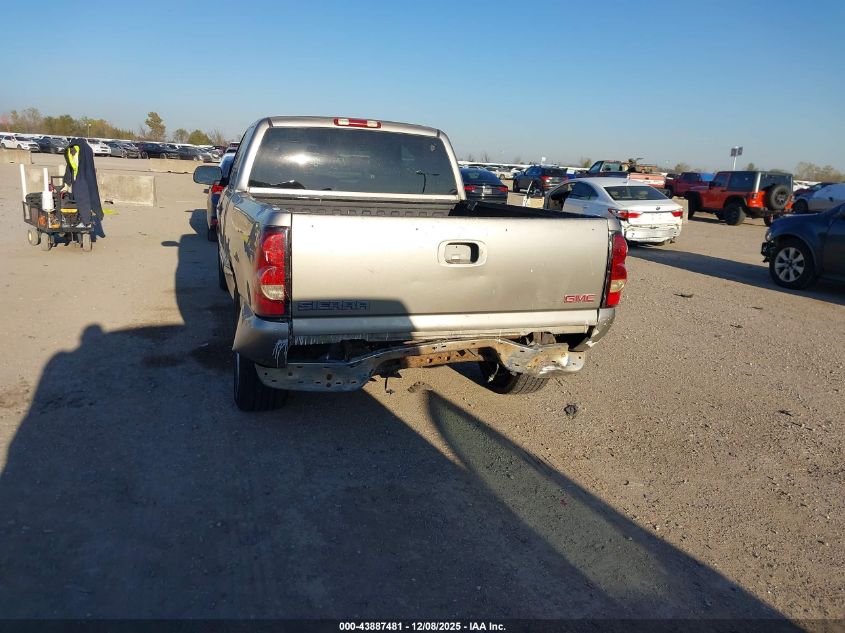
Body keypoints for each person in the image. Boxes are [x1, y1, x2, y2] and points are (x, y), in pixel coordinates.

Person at [63, 139, 103, 229]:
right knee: (81, 200)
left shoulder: (78, 150)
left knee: (83, 200)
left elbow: (71, 166)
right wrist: (67, 183)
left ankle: (86, 222)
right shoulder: (85, 149)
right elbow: (71, 167)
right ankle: (82, 220)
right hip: (80, 179)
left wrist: (67, 182)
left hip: (80, 180)